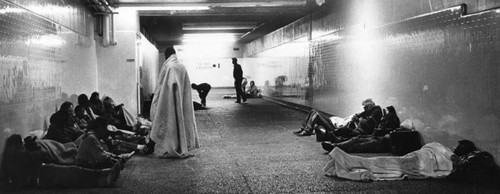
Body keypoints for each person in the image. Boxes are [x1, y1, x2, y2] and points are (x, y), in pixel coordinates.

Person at [323, 139, 499, 183]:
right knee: (383, 164)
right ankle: (344, 158)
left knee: (385, 166)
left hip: (418, 162)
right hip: (420, 162)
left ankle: (345, 162)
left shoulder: (448, 155)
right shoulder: (449, 154)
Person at [149, 46, 199, 158]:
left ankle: (171, 146)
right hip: (181, 101)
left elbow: (165, 87)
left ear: (166, 55)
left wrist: (161, 101)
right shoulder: (181, 66)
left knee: (168, 122)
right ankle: (180, 145)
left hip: (169, 100)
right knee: (179, 121)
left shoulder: (170, 67)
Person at [294, 98, 382, 140]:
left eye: (366, 107)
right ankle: (303, 128)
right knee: (313, 111)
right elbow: (360, 116)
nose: (364, 109)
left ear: (370, 106)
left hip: (336, 126)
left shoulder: (375, 112)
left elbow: (365, 123)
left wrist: (356, 119)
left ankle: (308, 130)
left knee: (316, 114)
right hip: (337, 122)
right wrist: (357, 116)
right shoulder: (367, 113)